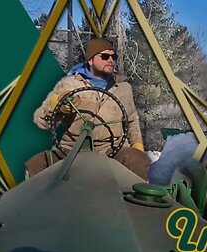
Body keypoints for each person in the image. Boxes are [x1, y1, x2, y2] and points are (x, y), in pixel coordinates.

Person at [25, 38, 150, 180]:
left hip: (111, 150)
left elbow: (132, 120)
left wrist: (137, 146)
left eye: (113, 57)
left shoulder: (123, 88)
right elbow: (42, 121)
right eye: (104, 56)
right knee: (37, 163)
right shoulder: (69, 84)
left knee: (138, 160)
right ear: (90, 60)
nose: (110, 60)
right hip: (72, 150)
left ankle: (129, 200)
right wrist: (58, 105)